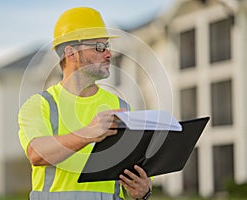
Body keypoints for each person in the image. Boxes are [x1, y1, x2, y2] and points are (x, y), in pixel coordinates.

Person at [18, 7, 152, 200]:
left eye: (107, 46)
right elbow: (37, 154)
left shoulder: (120, 106)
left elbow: (130, 173)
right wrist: (88, 133)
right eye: (99, 47)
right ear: (71, 53)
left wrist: (142, 192)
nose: (108, 54)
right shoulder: (41, 104)